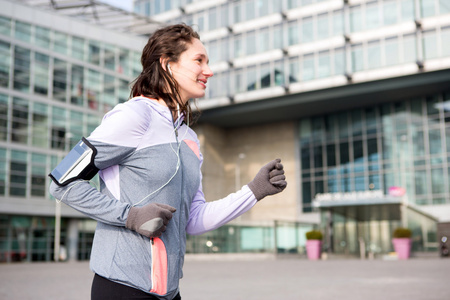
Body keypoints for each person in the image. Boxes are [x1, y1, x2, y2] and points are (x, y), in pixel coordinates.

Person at [49, 23, 287, 300]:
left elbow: (194, 219)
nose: (208, 71)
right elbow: (62, 181)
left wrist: (253, 191)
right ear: (167, 64)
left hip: (169, 292)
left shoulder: (189, 139)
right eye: (199, 60)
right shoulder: (133, 116)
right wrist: (130, 216)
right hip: (122, 286)